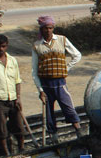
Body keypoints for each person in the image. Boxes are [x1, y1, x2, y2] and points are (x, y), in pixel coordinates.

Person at [31, 16, 82, 144]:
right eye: (45, 28)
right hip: (46, 85)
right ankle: (54, 139)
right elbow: (34, 71)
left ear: (53, 28)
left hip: (60, 83)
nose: (48, 31)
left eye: (50, 28)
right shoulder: (37, 46)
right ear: (41, 30)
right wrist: (40, 90)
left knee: (69, 109)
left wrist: (66, 69)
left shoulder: (62, 40)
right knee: (49, 114)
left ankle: (79, 134)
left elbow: (77, 55)